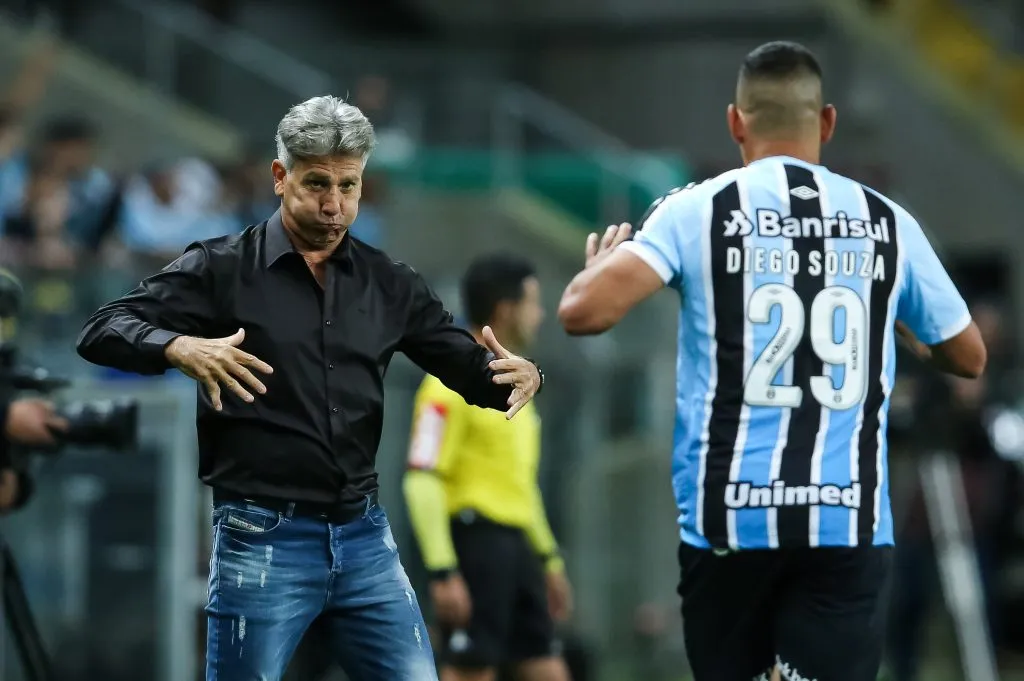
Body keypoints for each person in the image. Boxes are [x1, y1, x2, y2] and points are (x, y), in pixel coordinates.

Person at [556, 41, 987, 681]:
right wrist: (897, 324)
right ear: (827, 121)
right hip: (845, 518)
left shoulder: (696, 210)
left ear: (736, 122)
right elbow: (969, 356)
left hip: (731, 520)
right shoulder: (887, 223)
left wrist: (596, 272)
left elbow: (580, 313)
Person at [75, 95, 544, 681]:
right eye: (317, 183)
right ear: (280, 177)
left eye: (349, 186)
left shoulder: (390, 283)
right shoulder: (222, 269)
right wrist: (179, 347)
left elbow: (477, 374)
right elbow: (101, 329)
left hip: (364, 537)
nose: (333, 204)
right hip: (260, 536)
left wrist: (526, 374)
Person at [403, 254, 573, 681]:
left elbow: (521, 485)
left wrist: (548, 559)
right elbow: (422, 478)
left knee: (547, 668)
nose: (541, 314)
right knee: (470, 670)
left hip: (517, 550)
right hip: (475, 546)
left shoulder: (516, 387)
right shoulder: (446, 385)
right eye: (533, 303)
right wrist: (443, 570)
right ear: (505, 309)